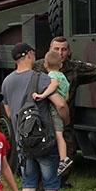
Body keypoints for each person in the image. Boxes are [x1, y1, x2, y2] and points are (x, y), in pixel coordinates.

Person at [2, 42, 70, 191]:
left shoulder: (6, 82)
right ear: (30, 55)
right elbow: (60, 103)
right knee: (50, 186)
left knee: (28, 185)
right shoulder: (39, 78)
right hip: (44, 141)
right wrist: (65, 120)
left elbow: (7, 111)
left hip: (23, 141)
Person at [31, 49, 72, 177]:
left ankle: (63, 159)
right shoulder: (64, 77)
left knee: (58, 135)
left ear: (45, 65)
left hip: (54, 109)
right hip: (62, 108)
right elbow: (66, 96)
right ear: (61, 65)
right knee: (60, 133)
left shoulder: (52, 77)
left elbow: (53, 86)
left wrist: (42, 95)